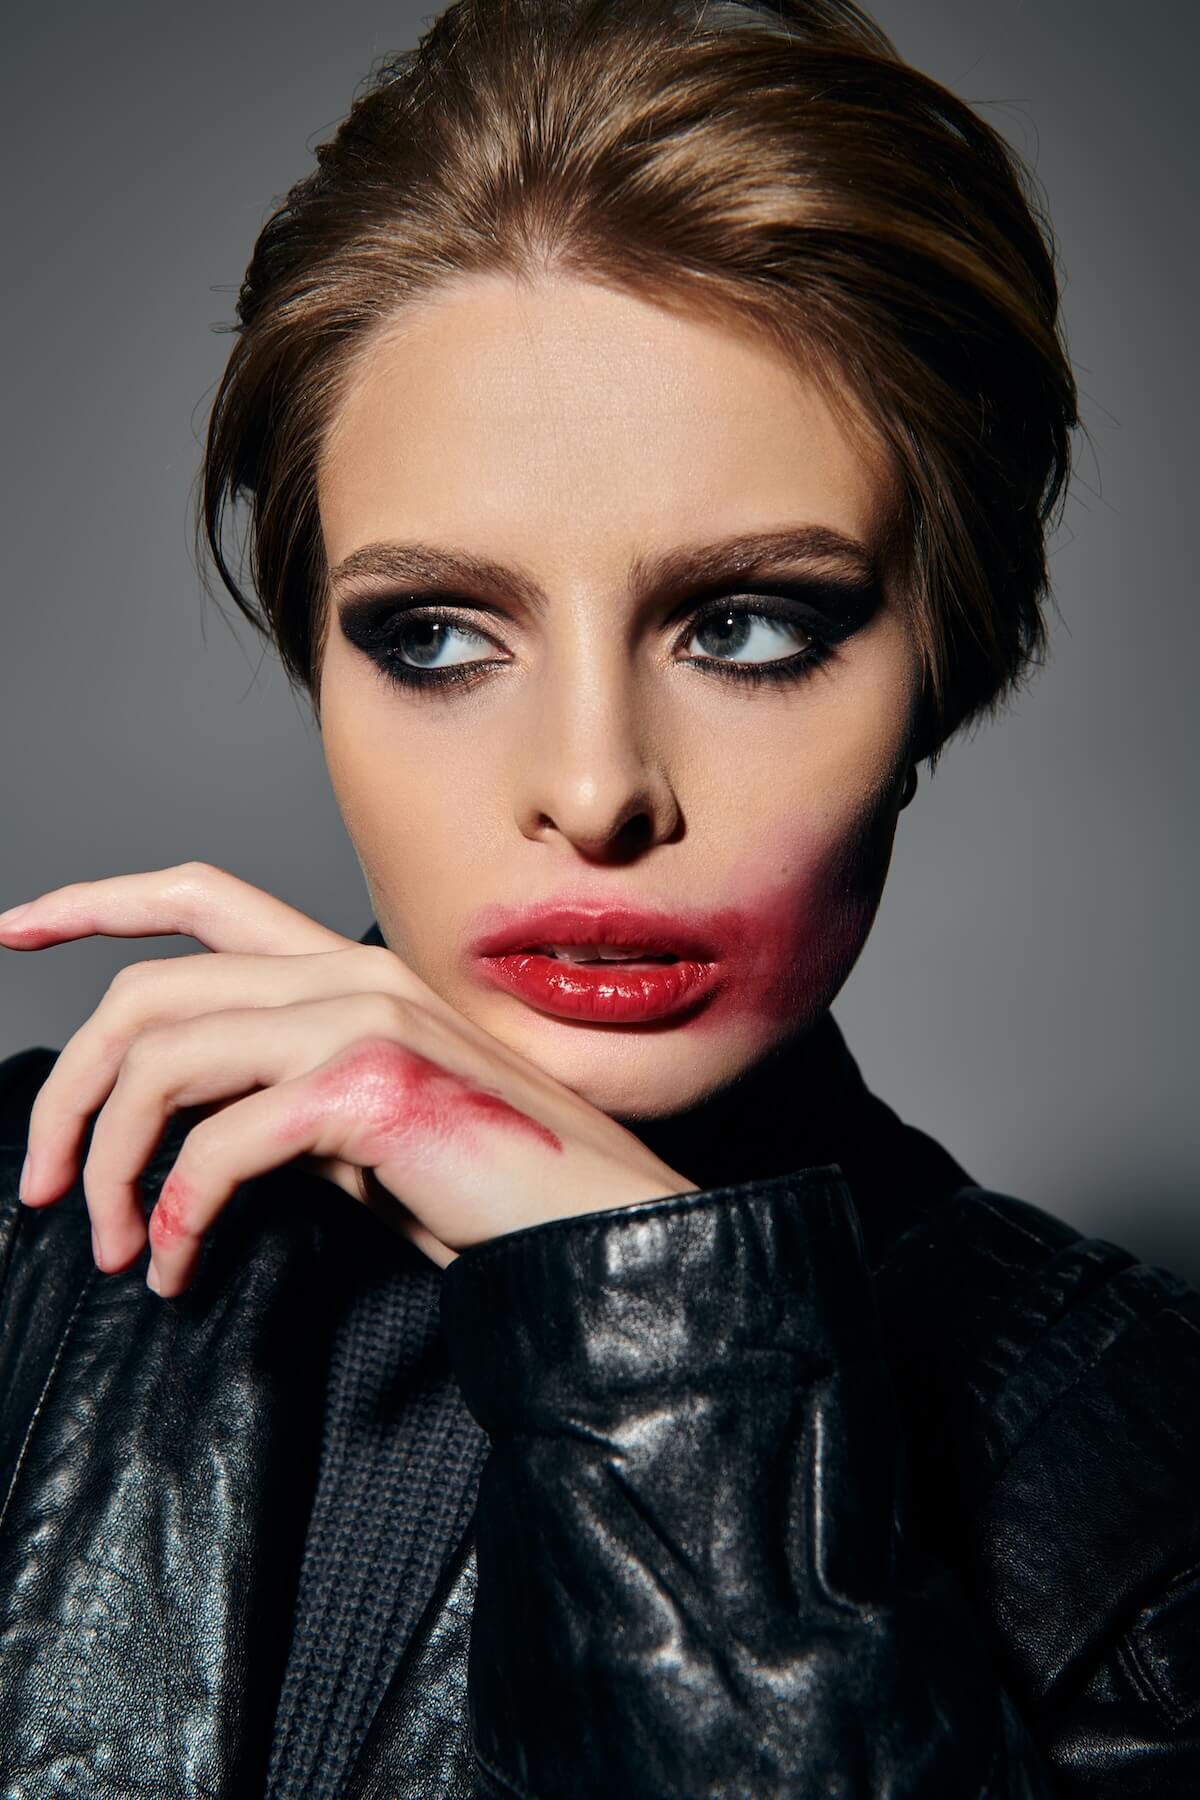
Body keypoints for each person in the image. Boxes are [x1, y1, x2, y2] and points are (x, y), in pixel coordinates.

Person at [0, 0, 1195, 1793]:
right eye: (436, 636)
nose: (592, 788)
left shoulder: (1139, 1469)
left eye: (750, 626)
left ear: (946, 668)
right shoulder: (26, 1228)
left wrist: (662, 1336)